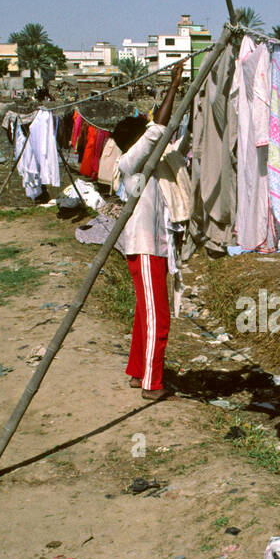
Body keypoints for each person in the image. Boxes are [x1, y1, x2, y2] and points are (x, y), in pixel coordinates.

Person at [113, 59, 185, 400]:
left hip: (151, 248)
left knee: (145, 314)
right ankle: (151, 384)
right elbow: (158, 129)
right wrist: (173, 85)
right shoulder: (129, 162)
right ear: (134, 142)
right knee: (159, 317)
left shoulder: (147, 166)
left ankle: (137, 371)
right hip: (144, 248)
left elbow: (166, 137)